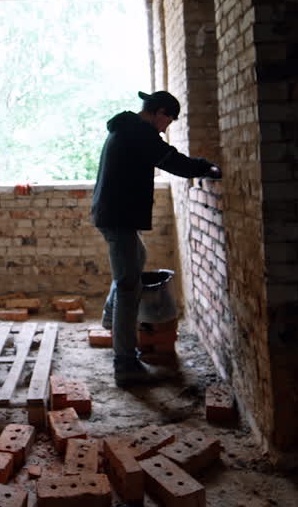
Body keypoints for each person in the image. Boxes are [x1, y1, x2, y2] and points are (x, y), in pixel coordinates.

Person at [91, 90, 221, 387]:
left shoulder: (127, 128)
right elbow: (172, 161)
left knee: (135, 262)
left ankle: (111, 320)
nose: (167, 127)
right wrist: (206, 166)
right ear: (160, 112)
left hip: (114, 214)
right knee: (128, 286)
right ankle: (125, 364)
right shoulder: (139, 133)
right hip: (118, 217)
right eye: (169, 120)